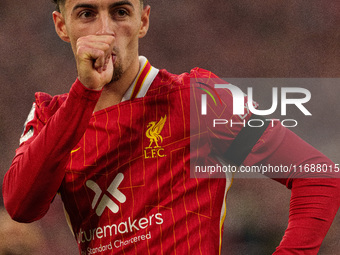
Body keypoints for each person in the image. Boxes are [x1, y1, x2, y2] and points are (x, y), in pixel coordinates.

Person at [2, 0, 340, 254]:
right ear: (62, 26)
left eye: (120, 12)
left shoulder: (197, 100)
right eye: (86, 13)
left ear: (143, 20)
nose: (104, 30)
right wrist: (84, 94)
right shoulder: (51, 114)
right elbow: (22, 207)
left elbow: (317, 176)